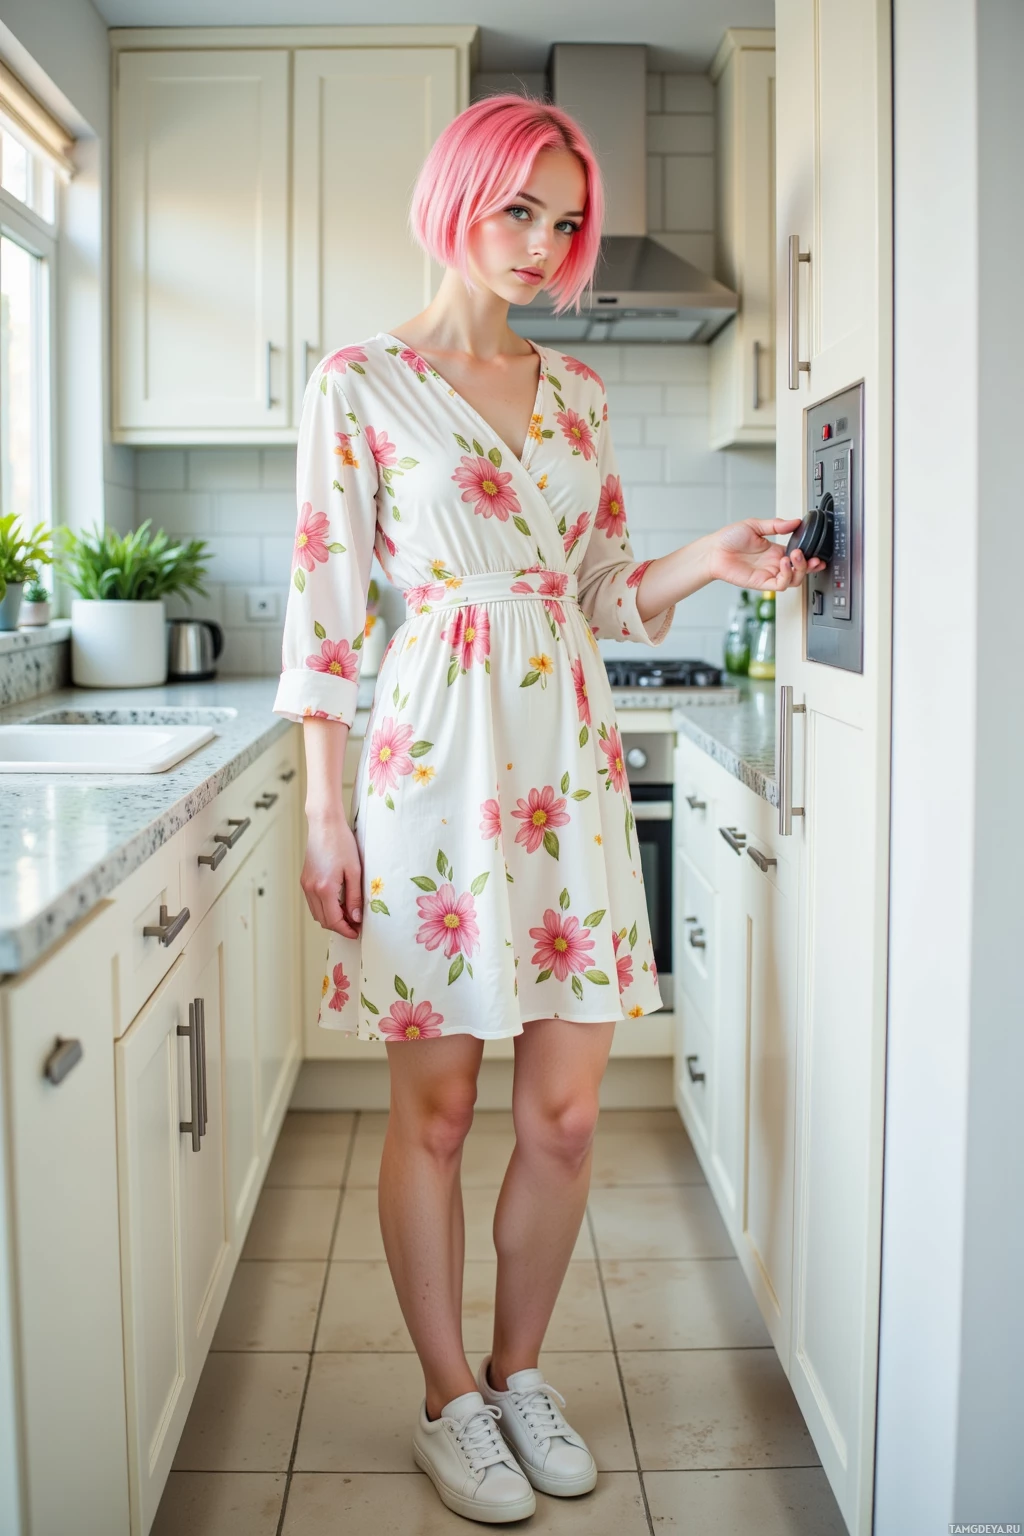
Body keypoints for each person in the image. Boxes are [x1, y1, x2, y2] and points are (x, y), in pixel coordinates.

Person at [272, 93, 822, 1523]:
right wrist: (324, 814)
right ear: (457, 195)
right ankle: (448, 1400)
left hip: (566, 767)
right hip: (431, 765)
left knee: (568, 1117)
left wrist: (707, 556)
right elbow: (324, 618)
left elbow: (599, 593)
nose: (541, 241)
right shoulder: (359, 381)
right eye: (519, 207)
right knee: (440, 1111)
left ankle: (520, 1373)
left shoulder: (577, 393)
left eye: (564, 220)